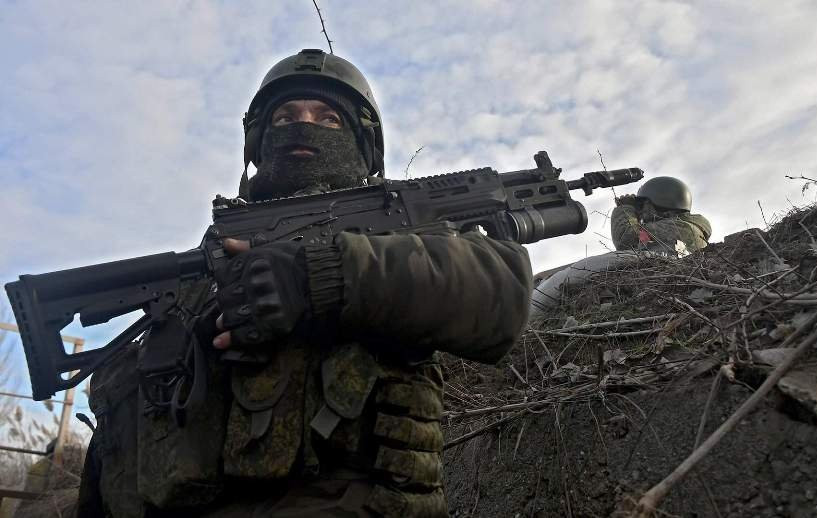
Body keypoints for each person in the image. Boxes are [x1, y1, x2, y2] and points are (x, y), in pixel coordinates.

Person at [77, 49, 532, 518]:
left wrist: (321, 274)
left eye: (328, 118)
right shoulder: (215, 255)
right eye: (285, 117)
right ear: (258, 141)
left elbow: (501, 290)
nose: (303, 127)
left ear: (362, 142)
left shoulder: (395, 224)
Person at [530, 176, 710, 319]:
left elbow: (626, 240)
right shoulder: (683, 226)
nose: (641, 211)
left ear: (660, 202)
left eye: (643, 205)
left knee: (574, 272)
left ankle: (527, 313)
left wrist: (625, 209)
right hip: (654, 265)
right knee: (546, 276)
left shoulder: (684, 227)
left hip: (655, 267)